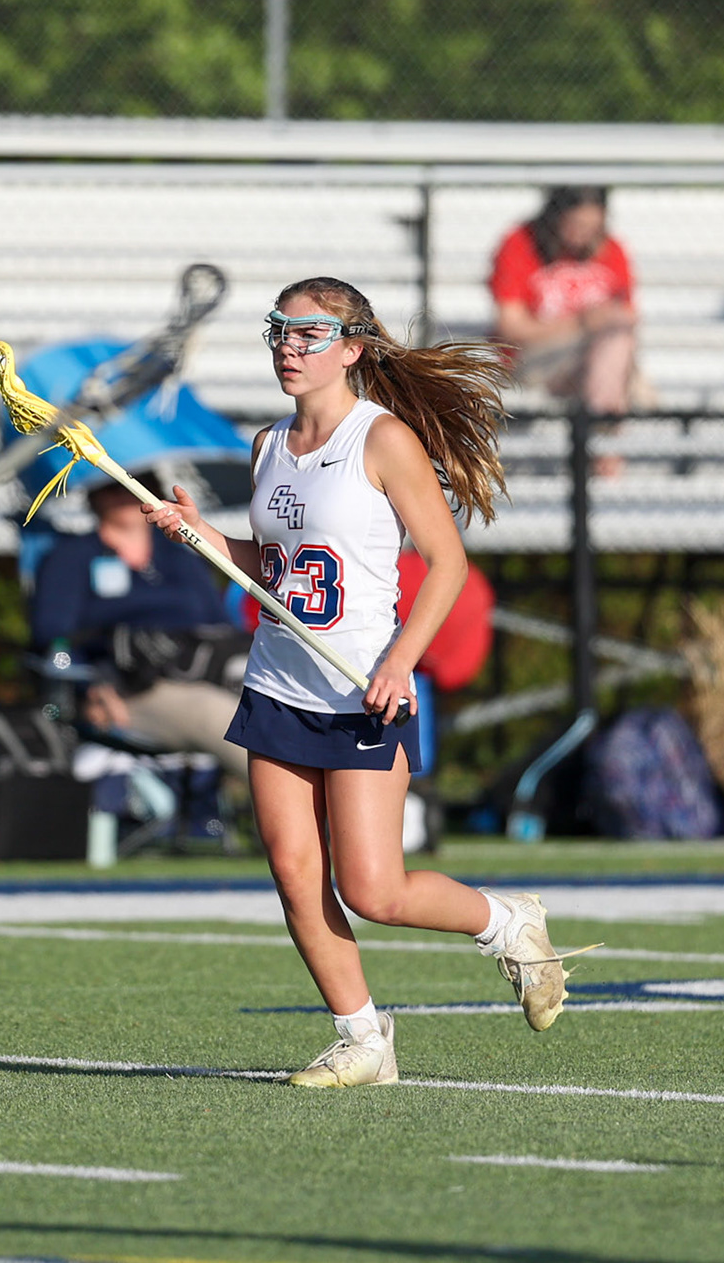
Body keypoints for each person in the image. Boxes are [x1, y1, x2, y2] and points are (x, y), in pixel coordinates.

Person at [149, 276, 583, 1088]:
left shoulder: (382, 441)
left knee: (375, 889)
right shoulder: (267, 445)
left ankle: (507, 921)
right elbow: (276, 571)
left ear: (351, 349)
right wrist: (206, 538)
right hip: (280, 681)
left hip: (361, 691)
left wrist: (399, 659)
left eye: (309, 334)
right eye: (279, 330)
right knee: (291, 869)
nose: (288, 346)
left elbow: (447, 563)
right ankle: (361, 1038)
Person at [30, 476, 247, 778]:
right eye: (112, 485)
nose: (124, 494)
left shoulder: (182, 558)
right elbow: (53, 637)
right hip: (130, 688)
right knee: (228, 719)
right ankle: (299, 817)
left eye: (134, 484)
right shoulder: (70, 558)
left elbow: (221, 626)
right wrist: (90, 686)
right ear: (94, 495)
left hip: (207, 672)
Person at [488, 185, 654, 470]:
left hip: (600, 365)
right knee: (612, 351)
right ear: (556, 217)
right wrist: (581, 324)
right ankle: (606, 456)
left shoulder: (610, 247)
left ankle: (602, 447)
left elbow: (627, 318)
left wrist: (603, 324)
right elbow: (511, 327)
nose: (583, 234)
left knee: (614, 344)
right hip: (536, 359)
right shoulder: (521, 243)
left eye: (592, 226)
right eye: (575, 225)